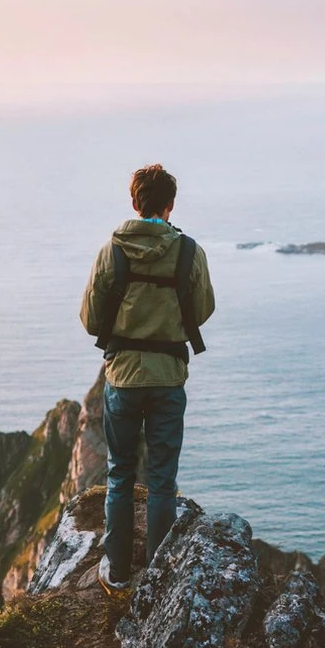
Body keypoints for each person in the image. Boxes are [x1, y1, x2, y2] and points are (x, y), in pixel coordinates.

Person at [80, 164, 215, 592]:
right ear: (170, 204)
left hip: (122, 378)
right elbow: (203, 310)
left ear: (134, 202)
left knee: (120, 474)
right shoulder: (190, 253)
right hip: (168, 378)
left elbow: (90, 319)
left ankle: (118, 572)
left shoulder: (112, 252)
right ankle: (157, 577)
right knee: (162, 481)